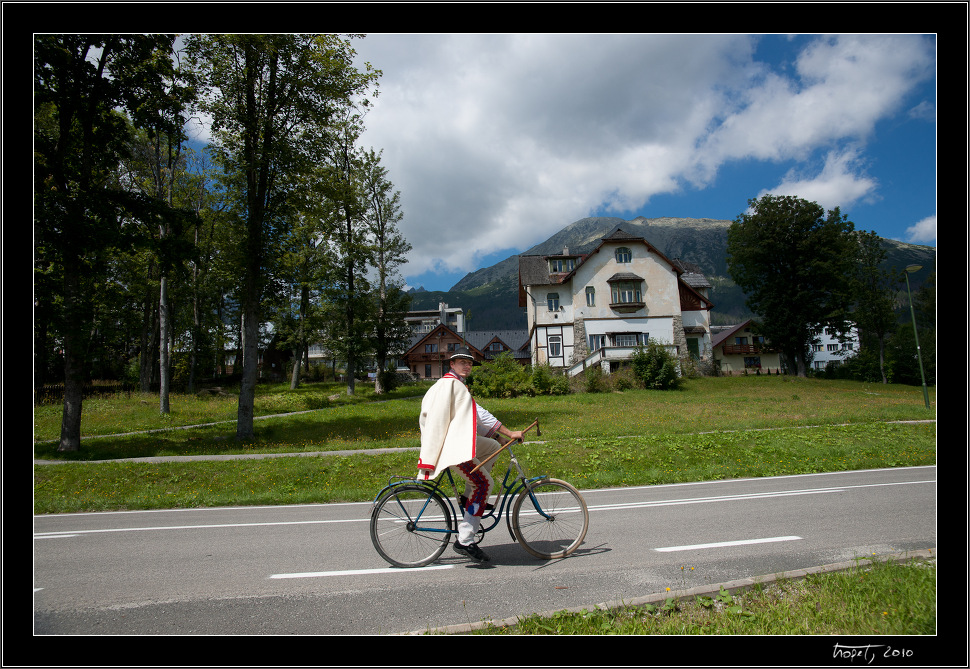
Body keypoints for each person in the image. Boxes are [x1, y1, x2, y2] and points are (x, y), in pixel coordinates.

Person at [417, 347, 524, 563]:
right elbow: (480, 415)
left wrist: (498, 437)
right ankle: (465, 540)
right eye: (462, 362)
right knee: (484, 484)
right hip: (451, 447)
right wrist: (509, 432)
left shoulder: (454, 385)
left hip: (454, 441)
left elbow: (474, 416)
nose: (467, 366)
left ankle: (469, 498)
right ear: (452, 364)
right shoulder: (452, 385)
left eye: (470, 363)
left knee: (493, 448)